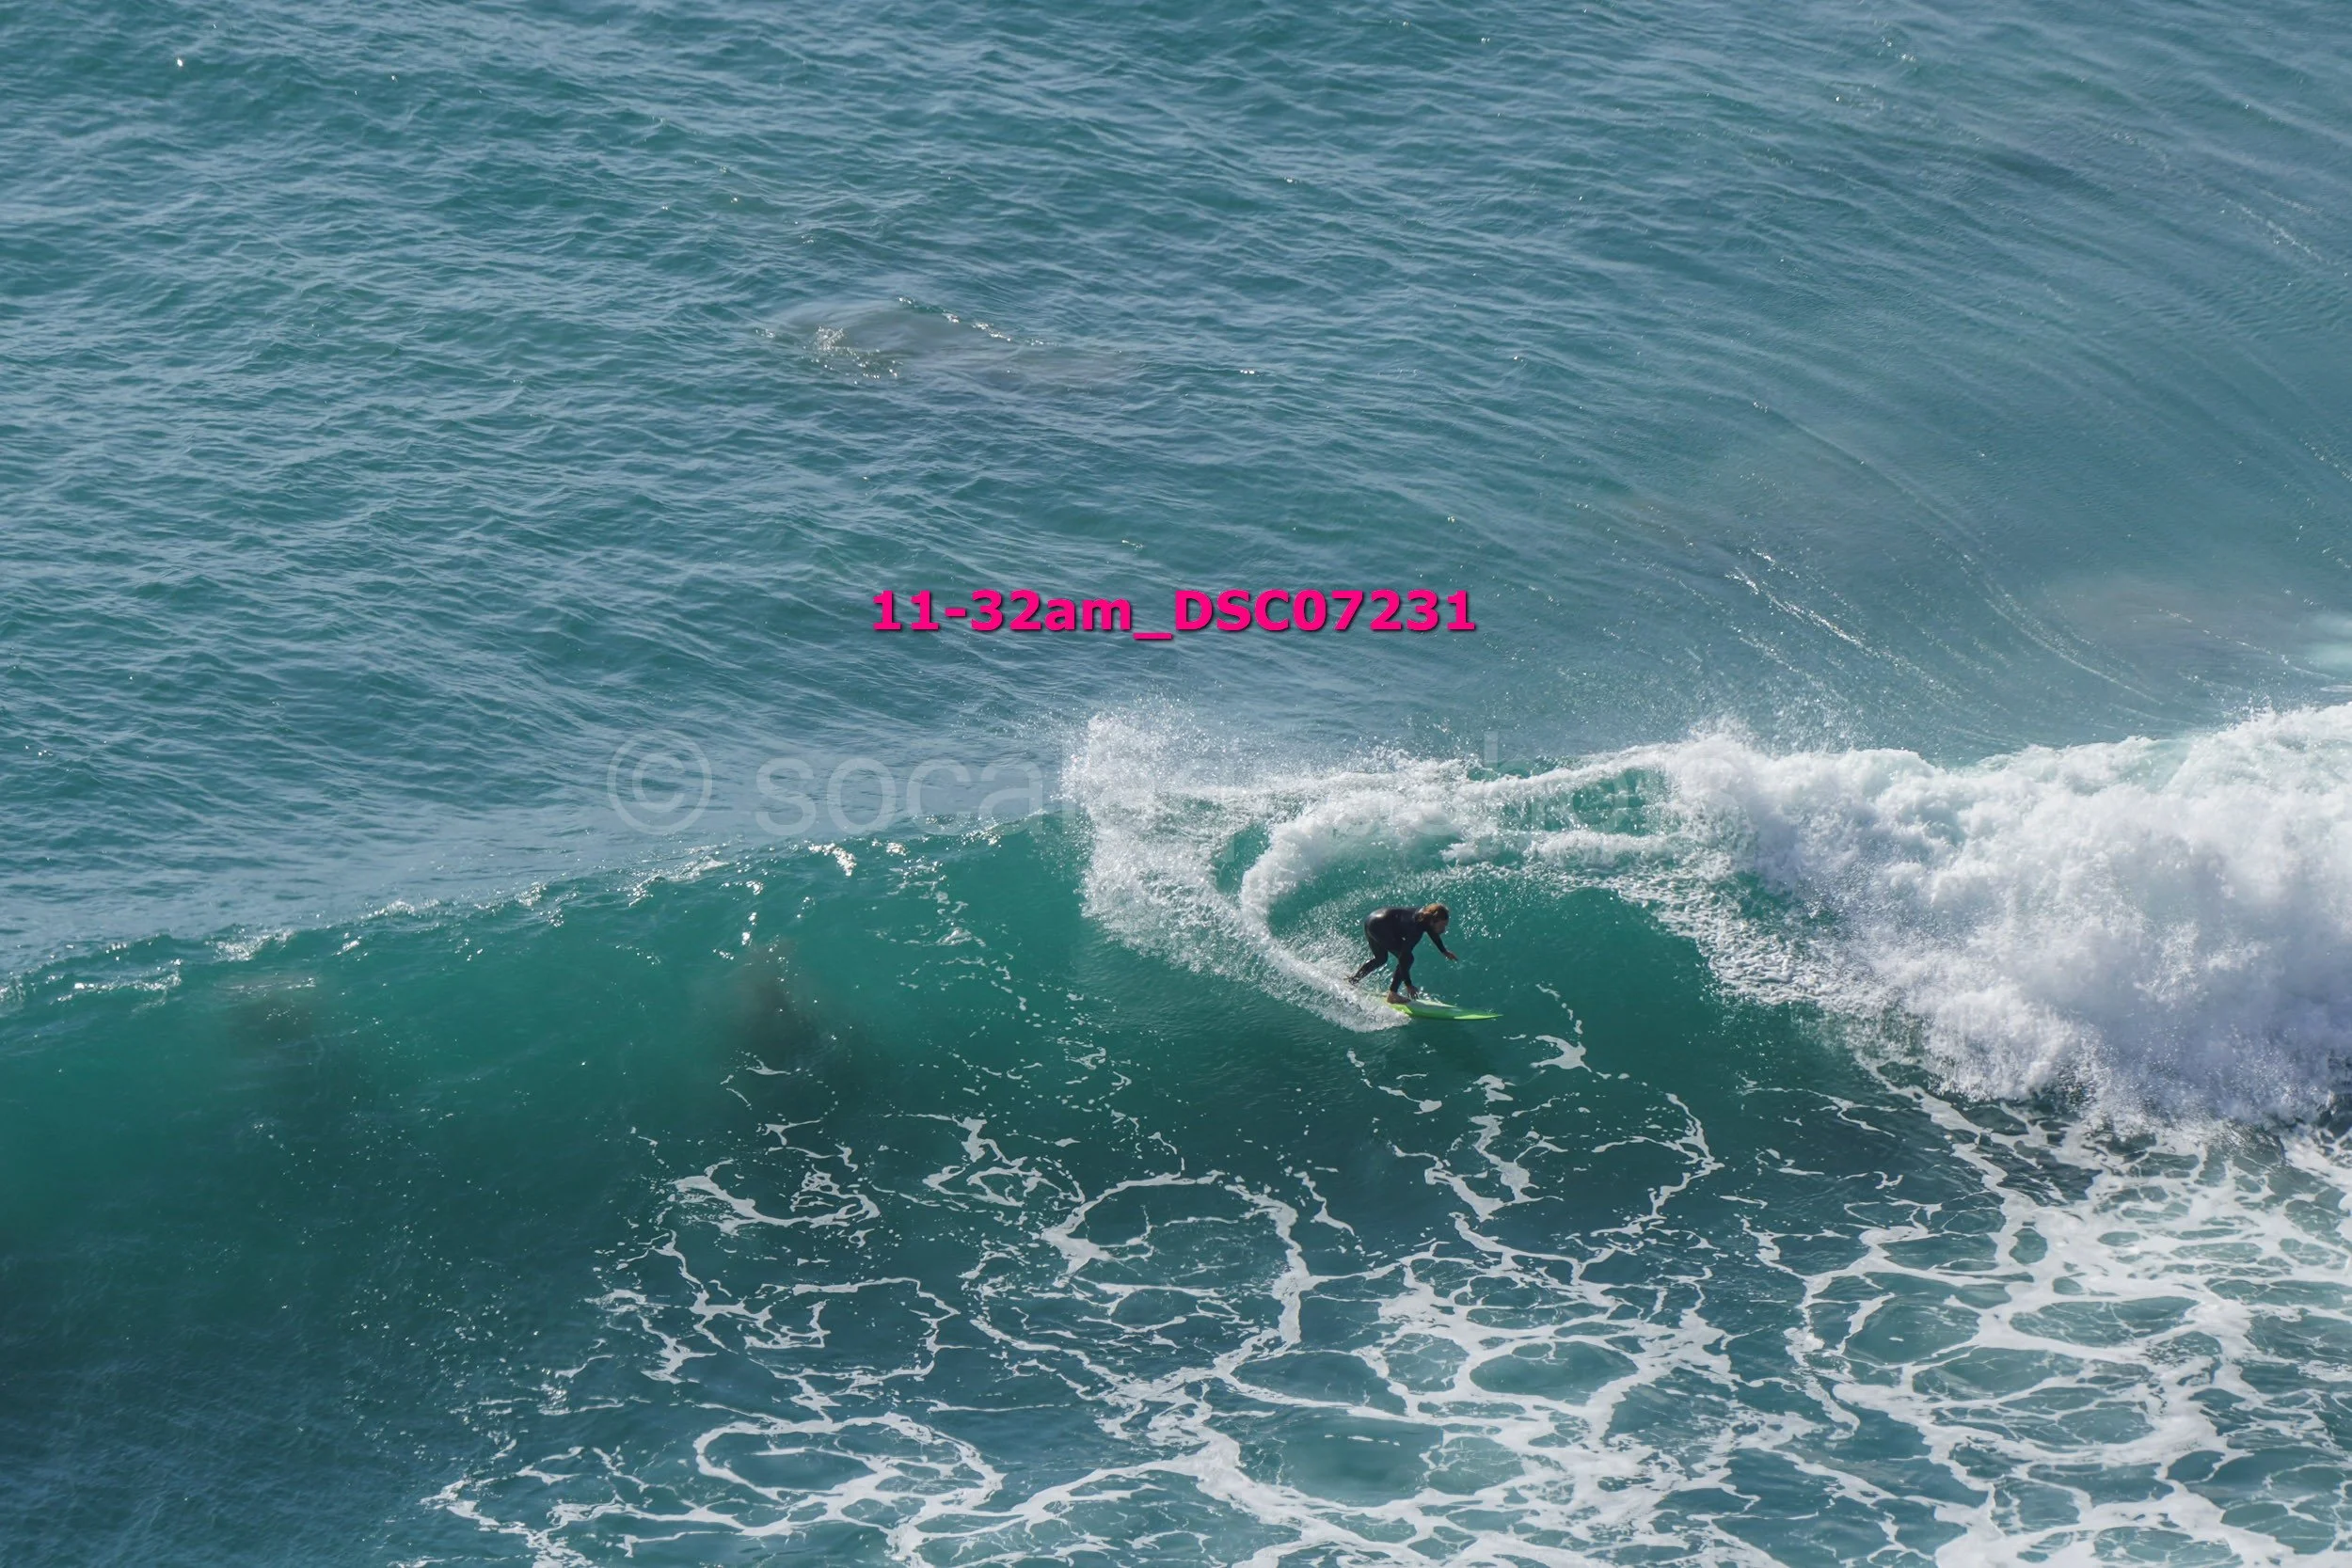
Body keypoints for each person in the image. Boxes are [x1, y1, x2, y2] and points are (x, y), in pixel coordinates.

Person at [1350, 902, 1457, 1002]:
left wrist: (1444, 951)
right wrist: (1408, 984)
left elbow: (1432, 931)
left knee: (1381, 959)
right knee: (1408, 958)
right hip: (1380, 926)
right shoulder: (1416, 928)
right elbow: (1404, 957)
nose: (1444, 929)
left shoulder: (1425, 917)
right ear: (1434, 920)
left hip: (1371, 920)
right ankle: (1393, 995)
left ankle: (1353, 981)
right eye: (1442, 925)